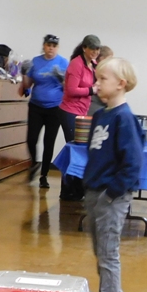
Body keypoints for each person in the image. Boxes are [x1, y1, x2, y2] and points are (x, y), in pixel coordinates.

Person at [84, 57, 144, 292]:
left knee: (108, 252)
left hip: (111, 196)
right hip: (94, 191)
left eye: (102, 79)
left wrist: (112, 193)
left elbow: (133, 163)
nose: (97, 84)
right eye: (96, 78)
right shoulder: (100, 115)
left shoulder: (125, 118)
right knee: (100, 251)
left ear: (121, 83)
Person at [21, 34, 67, 189]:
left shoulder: (63, 63)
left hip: (55, 108)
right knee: (31, 139)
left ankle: (44, 176)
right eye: (48, 45)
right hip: (36, 106)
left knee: (49, 142)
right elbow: (27, 85)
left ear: (57, 48)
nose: (51, 49)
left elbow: (68, 88)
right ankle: (34, 162)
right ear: (44, 46)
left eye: (54, 46)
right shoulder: (36, 61)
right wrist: (24, 73)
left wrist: (61, 79)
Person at [59, 34, 101, 201]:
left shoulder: (93, 65)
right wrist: (91, 90)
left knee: (80, 149)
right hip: (70, 111)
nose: (95, 52)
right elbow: (71, 90)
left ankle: (77, 189)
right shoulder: (76, 64)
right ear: (84, 48)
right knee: (74, 149)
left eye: (97, 49)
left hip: (82, 112)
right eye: (92, 49)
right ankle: (67, 190)